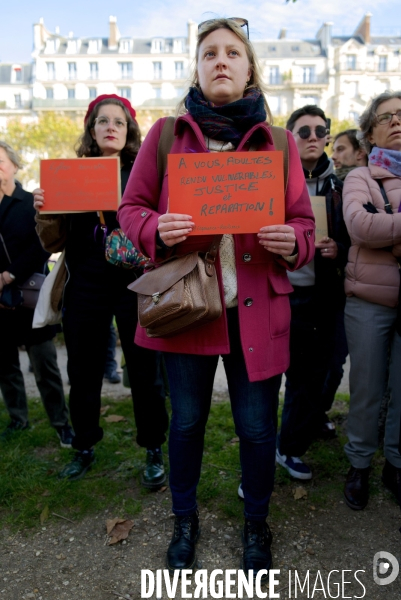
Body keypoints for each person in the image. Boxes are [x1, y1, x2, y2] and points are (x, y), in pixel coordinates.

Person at [118, 18, 315, 578]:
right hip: (188, 310)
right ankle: (185, 519)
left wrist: (293, 239)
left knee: (257, 429)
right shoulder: (163, 135)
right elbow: (131, 211)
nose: (221, 61)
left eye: (233, 52)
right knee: (186, 425)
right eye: (210, 54)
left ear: (250, 67)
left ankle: (257, 522)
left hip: (257, 312)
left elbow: (303, 222)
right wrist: (158, 229)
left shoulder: (277, 144)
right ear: (198, 67)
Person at [33, 95, 168, 486]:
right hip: (85, 286)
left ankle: (153, 446)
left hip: (134, 283)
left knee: (145, 371)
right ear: (91, 129)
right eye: (103, 121)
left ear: (129, 131)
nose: (111, 127)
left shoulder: (144, 173)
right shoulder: (68, 175)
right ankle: (84, 445)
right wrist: (45, 209)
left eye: (119, 122)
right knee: (83, 371)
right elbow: (52, 243)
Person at [276, 106, 350, 480]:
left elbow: (355, 240)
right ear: (289, 137)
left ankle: (290, 444)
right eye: (302, 131)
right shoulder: (272, 182)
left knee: (311, 377)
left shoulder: (339, 186)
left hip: (321, 296)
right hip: (278, 296)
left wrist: (339, 246)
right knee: (273, 377)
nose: (312, 137)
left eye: (319, 131)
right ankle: (271, 446)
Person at [342, 91, 401, 510]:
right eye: (387, 117)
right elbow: (362, 228)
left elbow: (381, 227)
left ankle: (395, 462)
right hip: (369, 299)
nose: (397, 121)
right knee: (366, 387)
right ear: (370, 131)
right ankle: (359, 463)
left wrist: (390, 226)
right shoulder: (360, 176)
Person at [0, 141, 73, 447]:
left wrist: (9, 273)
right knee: (5, 368)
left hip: (29, 299)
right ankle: (18, 419)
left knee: (45, 368)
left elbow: (43, 246)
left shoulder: (31, 202)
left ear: (15, 166)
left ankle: (61, 423)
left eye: (1, 161)